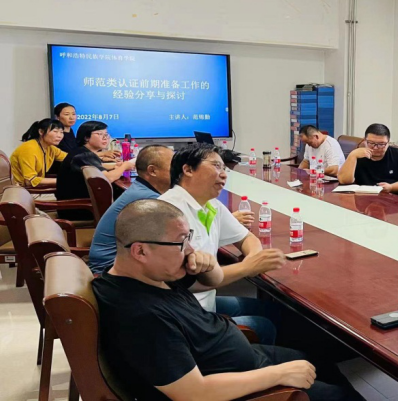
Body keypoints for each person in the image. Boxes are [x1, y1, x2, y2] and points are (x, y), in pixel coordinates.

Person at [93, 199, 360, 401]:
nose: (190, 250)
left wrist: (207, 264)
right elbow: (192, 393)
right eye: (181, 243)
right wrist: (278, 375)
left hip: (243, 360)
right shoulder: (141, 316)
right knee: (341, 396)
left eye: (189, 238)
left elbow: (208, 281)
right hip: (237, 386)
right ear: (140, 251)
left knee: (318, 358)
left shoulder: (149, 273)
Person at [159, 144, 288, 345]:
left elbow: (247, 238)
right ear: (188, 169)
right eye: (216, 166)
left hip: (205, 301)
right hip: (185, 315)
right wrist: (247, 267)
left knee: (274, 311)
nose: (224, 175)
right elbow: (184, 284)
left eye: (224, 169)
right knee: (264, 326)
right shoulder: (169, 212)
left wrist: (255, 257)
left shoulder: (210, 204)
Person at [88, 145, 173, 275]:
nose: (180, 171)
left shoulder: (141, 189)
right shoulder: (148, 199)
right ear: (152, 171)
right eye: (173, 166)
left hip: (112, 263)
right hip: (109, 269)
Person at [55, 121, 136, 220]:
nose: (105, 138)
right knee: (132, 202)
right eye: (100, 134)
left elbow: (96, 167)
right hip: (79, 209)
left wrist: (116, 166)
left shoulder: (81, 152)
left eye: (106, 134)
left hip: (77, 205)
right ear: (86, 137)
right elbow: (107, 178)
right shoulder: (84, 155)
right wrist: (124, 166)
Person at [338, 123, 398, 198]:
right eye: (371, 143)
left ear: (388, 143)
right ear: (364, 141)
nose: (375, 147)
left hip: (397, 200)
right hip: (367, 199)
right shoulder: (358, 155)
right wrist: (352, 156)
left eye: (381, 144)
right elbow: (344, 181)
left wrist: (392, 187)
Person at [53, 102, 121, 161]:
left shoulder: (70, 131)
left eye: (73, 114)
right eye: (67, 114)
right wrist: (102, 154)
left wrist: (101, 158)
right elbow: (71, 157)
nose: (71, 117)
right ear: (57, 117)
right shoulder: (56, 136)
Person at [9, 119, 66, 187]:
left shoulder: (50, 148)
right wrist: (61, 181)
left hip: (34, 188)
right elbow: (29, 180)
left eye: (61, 132)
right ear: (41, 132)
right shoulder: (29, 148)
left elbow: (69, 158)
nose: (59, 136)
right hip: (21, 190)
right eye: (55, 131)